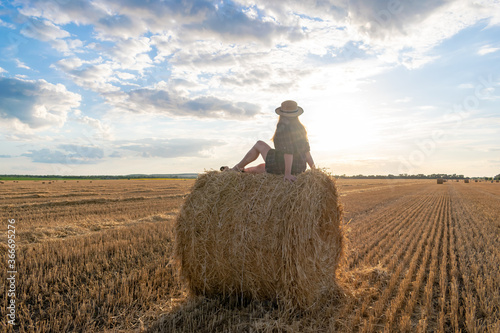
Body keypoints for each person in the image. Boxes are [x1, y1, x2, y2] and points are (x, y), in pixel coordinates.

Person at [221, 100, 315, 182]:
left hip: (286, 166)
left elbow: (288, 152)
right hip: (299, 167)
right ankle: (242, 171)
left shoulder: (283, 127)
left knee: (259, 144)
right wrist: (315, 171)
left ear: (281, 114)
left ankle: (234, 170)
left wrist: (287, 174)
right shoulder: (301, 128)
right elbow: (307, 152)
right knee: (262, 167)